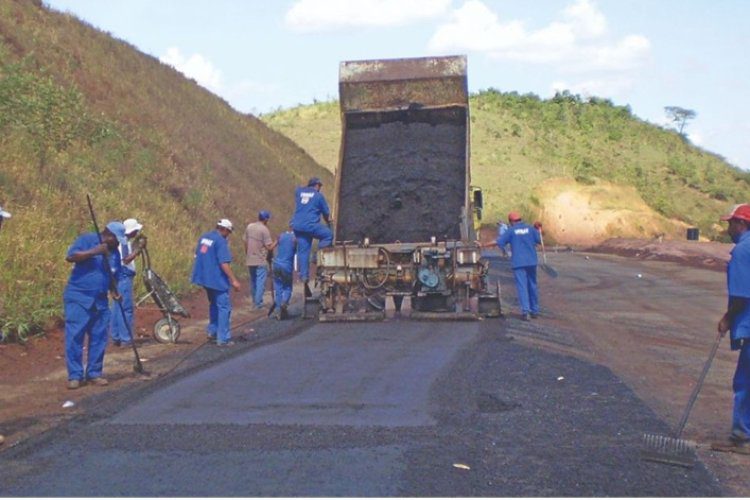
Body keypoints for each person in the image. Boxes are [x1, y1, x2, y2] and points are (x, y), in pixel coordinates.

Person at [64, 221, 126, 389]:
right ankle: (75, 375)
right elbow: (71, 257)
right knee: (75, 337)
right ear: (109, 235)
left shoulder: (115, 253)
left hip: (100, 300)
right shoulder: (87, 240)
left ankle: (94, 373)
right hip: (79, 297)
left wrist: (114, 291)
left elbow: (114, 275)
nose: (118, 243)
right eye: (117, 239)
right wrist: (94, 252)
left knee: (99, 338)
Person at [714, 203, 750, 453]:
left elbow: (742, 296)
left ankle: (742, 435)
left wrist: (727, 318)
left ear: (742, 224)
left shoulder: (742, 251)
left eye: (731, 223)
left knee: (745, 382)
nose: (728, 228)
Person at [480, 211, 541, 321]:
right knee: (532, 285)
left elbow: (498, 241)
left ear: (511, 221)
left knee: (522, 286)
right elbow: (539, 240)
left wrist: (483, 245)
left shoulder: (511, 231)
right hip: (531, 261)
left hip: (519, 262)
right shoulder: (530, 229)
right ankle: (535, 311)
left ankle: (526, 312)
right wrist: (537, 229)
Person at [191, 219, 242, 346]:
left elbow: (199, 254)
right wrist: (234, 280)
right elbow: (223, 263)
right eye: (228, 232)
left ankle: (213, 332)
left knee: (213, 305)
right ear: (224, 229)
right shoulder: (220, 241)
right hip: (217, 279)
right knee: (224, 308)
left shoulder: (205, 237)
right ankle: (223, 338)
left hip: (205, 279)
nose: (228, 235)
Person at [291, 177, 333, 289]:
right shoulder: (319, 196)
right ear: (317, 185)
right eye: (320, 186)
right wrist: (329, 223)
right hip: (310, 225)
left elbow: (297, 190)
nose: (320, 188)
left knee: (303, 250)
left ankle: (304, 276)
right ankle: (316, 256)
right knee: (328, 235)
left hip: (297, 226)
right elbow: (326, 213)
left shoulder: (299, 192)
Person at [110, 218, 146, 346]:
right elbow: (126, 260)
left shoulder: (119, 241)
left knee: (117, 306)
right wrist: (138, 250)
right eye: (136, 230)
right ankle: (125, 338)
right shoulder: (123, 242)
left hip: (118, 274)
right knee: (126, 308)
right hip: (124, 275)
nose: (137, 233)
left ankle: (116, 336)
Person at [244, 210, 276, 310]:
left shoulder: (249, 226)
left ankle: (254, 302)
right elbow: (269, 247)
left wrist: (247, 254)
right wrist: (277, 242)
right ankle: (258, 304)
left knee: (253, 281)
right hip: (260, 259)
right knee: (260, 282)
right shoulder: (264, 229)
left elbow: (245, 241)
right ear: (265, 219)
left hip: (250, 258)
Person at [272, 221, 297, 320]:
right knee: (287, 287)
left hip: (276, 265)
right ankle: (284, 302)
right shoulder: (295, 238)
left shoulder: (281, 236)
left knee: (278, 287)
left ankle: (278, 309)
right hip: (287, 266)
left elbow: (271, 247)